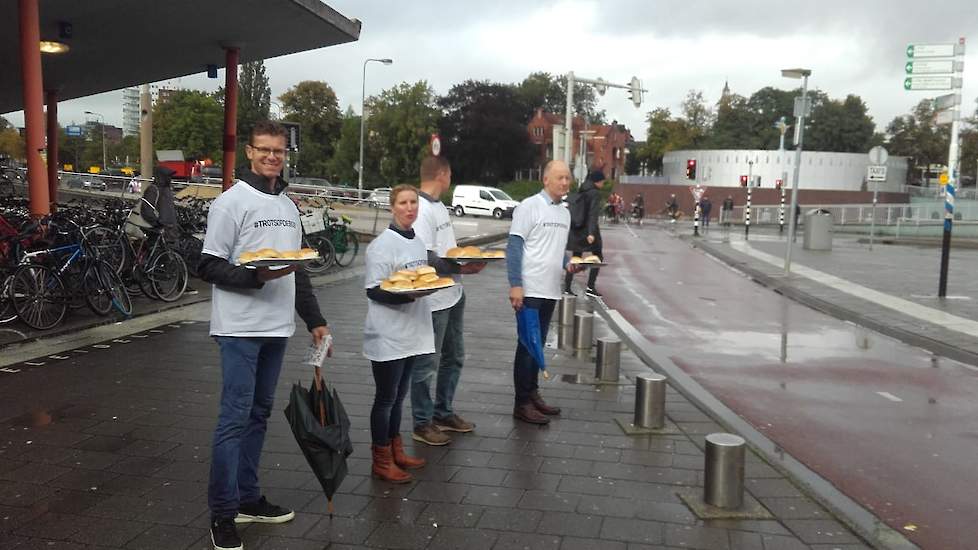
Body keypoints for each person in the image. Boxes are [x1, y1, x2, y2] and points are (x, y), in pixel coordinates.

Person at [198, 121, 330, 550]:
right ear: (250, 153)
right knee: (233, 418)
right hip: (239, 328)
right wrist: (254, 277)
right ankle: (222, 513)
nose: (273, 157)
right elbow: (208, 265)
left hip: (277, 328)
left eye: (279, 151)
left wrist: (314, 319)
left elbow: (298, 268)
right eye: (265, 150)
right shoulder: (230, 203)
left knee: (258, 415)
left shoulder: (289, 206)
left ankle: (248, 497)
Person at [410, 156, 485, 446]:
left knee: (454, 357)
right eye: (450, 173)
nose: (451, 177)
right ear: (442, 173)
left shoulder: (439, 205)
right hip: (434, 299)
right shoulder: (421, 209)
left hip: (454, 294)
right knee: (427, 363)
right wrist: (461, 267)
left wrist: (462, 260)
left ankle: (443, 412)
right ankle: (422, 421)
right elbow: (425, 258)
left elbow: (445, 250)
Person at [363, 184, 433, 482]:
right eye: (403, 203)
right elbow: (373, 290)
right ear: (392, 207)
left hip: (410, 332)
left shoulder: (417, 240)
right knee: (386, 398)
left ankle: (396, 449)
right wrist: (406, 295)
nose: (409, 208)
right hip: (387, 333)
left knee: (400, 395)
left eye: (413, 202)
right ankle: (381, 459)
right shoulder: (381, 245)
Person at [507, 160, 581, 425]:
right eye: (560, 178)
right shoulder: (529, 207)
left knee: (536, 345)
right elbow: (514, 247)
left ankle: (533, 393)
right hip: (529, 289)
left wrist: (568, 264)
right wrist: (516, 285)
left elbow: (555, 249)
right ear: (545, 179)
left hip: (551, 290)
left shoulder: (564, 212)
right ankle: (521, 403)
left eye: (568, 178)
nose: (565, 182)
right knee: (527, 345)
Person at [563, 169, 605, 297]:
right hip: (588, 230)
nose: (603, 184)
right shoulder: (595, 194)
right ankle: (590, 287)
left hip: (577, 229)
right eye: (602, 181)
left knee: (576, 257)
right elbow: (593, 214)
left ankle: (567, 287)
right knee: (598, 256)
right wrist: (591, 233)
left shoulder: (583, 190)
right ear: (597, 181)